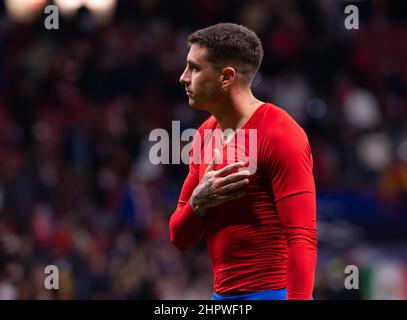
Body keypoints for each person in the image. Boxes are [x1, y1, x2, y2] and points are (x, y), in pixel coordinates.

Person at [169, 23, 317, 300]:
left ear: (226, 77)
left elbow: (302, 239)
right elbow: (179, 237)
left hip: (275, 294)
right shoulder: (204, 135)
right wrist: (198, 203)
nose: (183, 77)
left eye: (195, 68)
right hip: (221, 298)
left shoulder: (281, 133)